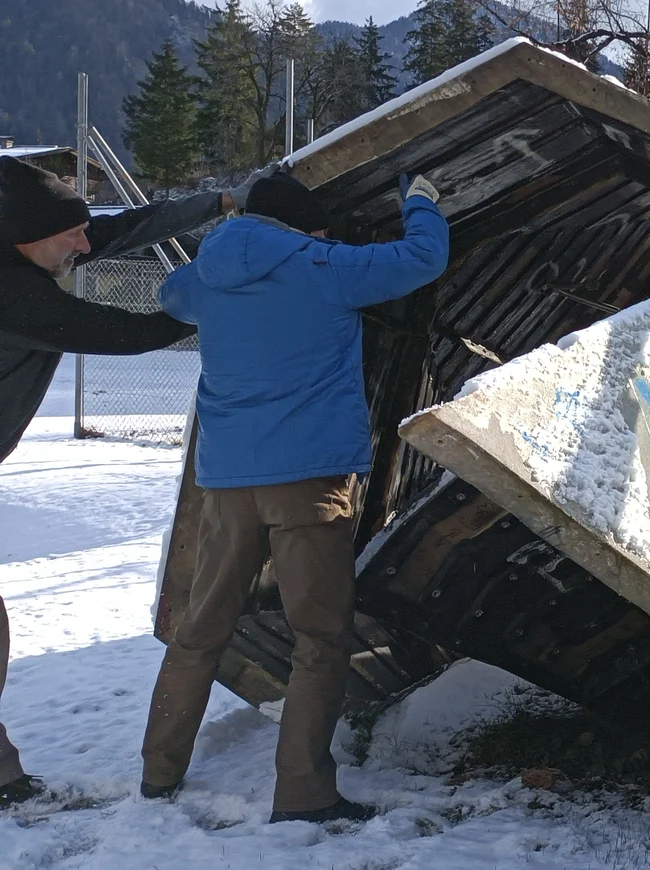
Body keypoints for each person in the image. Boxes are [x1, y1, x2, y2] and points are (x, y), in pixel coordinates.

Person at [141, 171, 450, 822]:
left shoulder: (206, 274)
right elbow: (423, 257)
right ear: (306, 228)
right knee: (321, 637)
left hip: (226, 482)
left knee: (199, 632)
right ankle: (304, 792)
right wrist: (421, 202)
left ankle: (158, 774)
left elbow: (170, 295)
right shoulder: (323, 266)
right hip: (308, 479)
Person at [0, 155, 243, 807]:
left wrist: (216, 203)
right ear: (26, 235)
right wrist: (221, 299)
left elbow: (120, 230)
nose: (85, 244)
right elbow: (129, 334)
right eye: (72, 234)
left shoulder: (32, 248)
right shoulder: (14, 292)